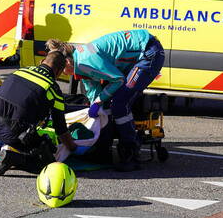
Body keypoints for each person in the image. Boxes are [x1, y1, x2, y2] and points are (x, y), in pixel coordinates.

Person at [48, 29, 165, 171]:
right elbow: (93, 90)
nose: (61, 73)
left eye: (60, 68)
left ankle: (131, 154)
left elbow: (118, 80)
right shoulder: (79, 58)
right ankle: (115, 146)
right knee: (110, 104)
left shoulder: (85, 61)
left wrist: (98, 101)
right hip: (140, 51)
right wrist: (95, 105)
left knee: (120, 103)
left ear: (67, 62)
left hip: (149, 53)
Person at [0, 51, 77, 176]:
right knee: (49, 166)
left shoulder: (19, 71)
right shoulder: (53, 89)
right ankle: (15, 159)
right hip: (14, 135)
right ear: (59, 71)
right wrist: (73, 148)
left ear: (42, 61)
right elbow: (60, 129)